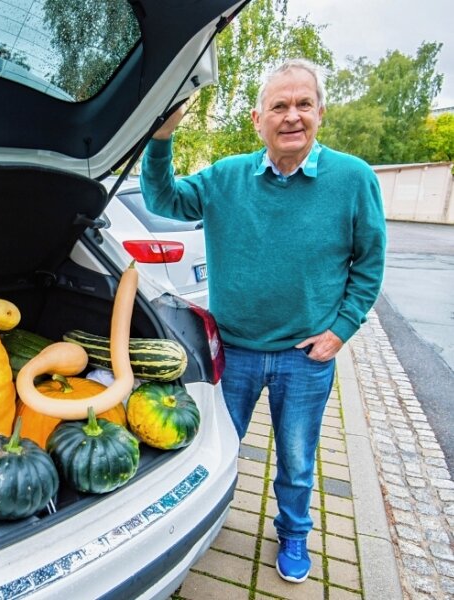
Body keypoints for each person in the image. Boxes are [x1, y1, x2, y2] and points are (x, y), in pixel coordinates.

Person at [139, 58, 386, 583]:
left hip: (305, 358)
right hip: (236, 352)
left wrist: (341, 331)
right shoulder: (228, 177)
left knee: (298, 461)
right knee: (215, 448)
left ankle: (294, 533)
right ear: (258, 119)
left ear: (320, 111)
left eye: (302, 104)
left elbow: (368, 263)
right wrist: (160, 138)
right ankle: (205, 517)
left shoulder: (353, 178)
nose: (291, 115)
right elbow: (164, 198)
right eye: (279, 105)